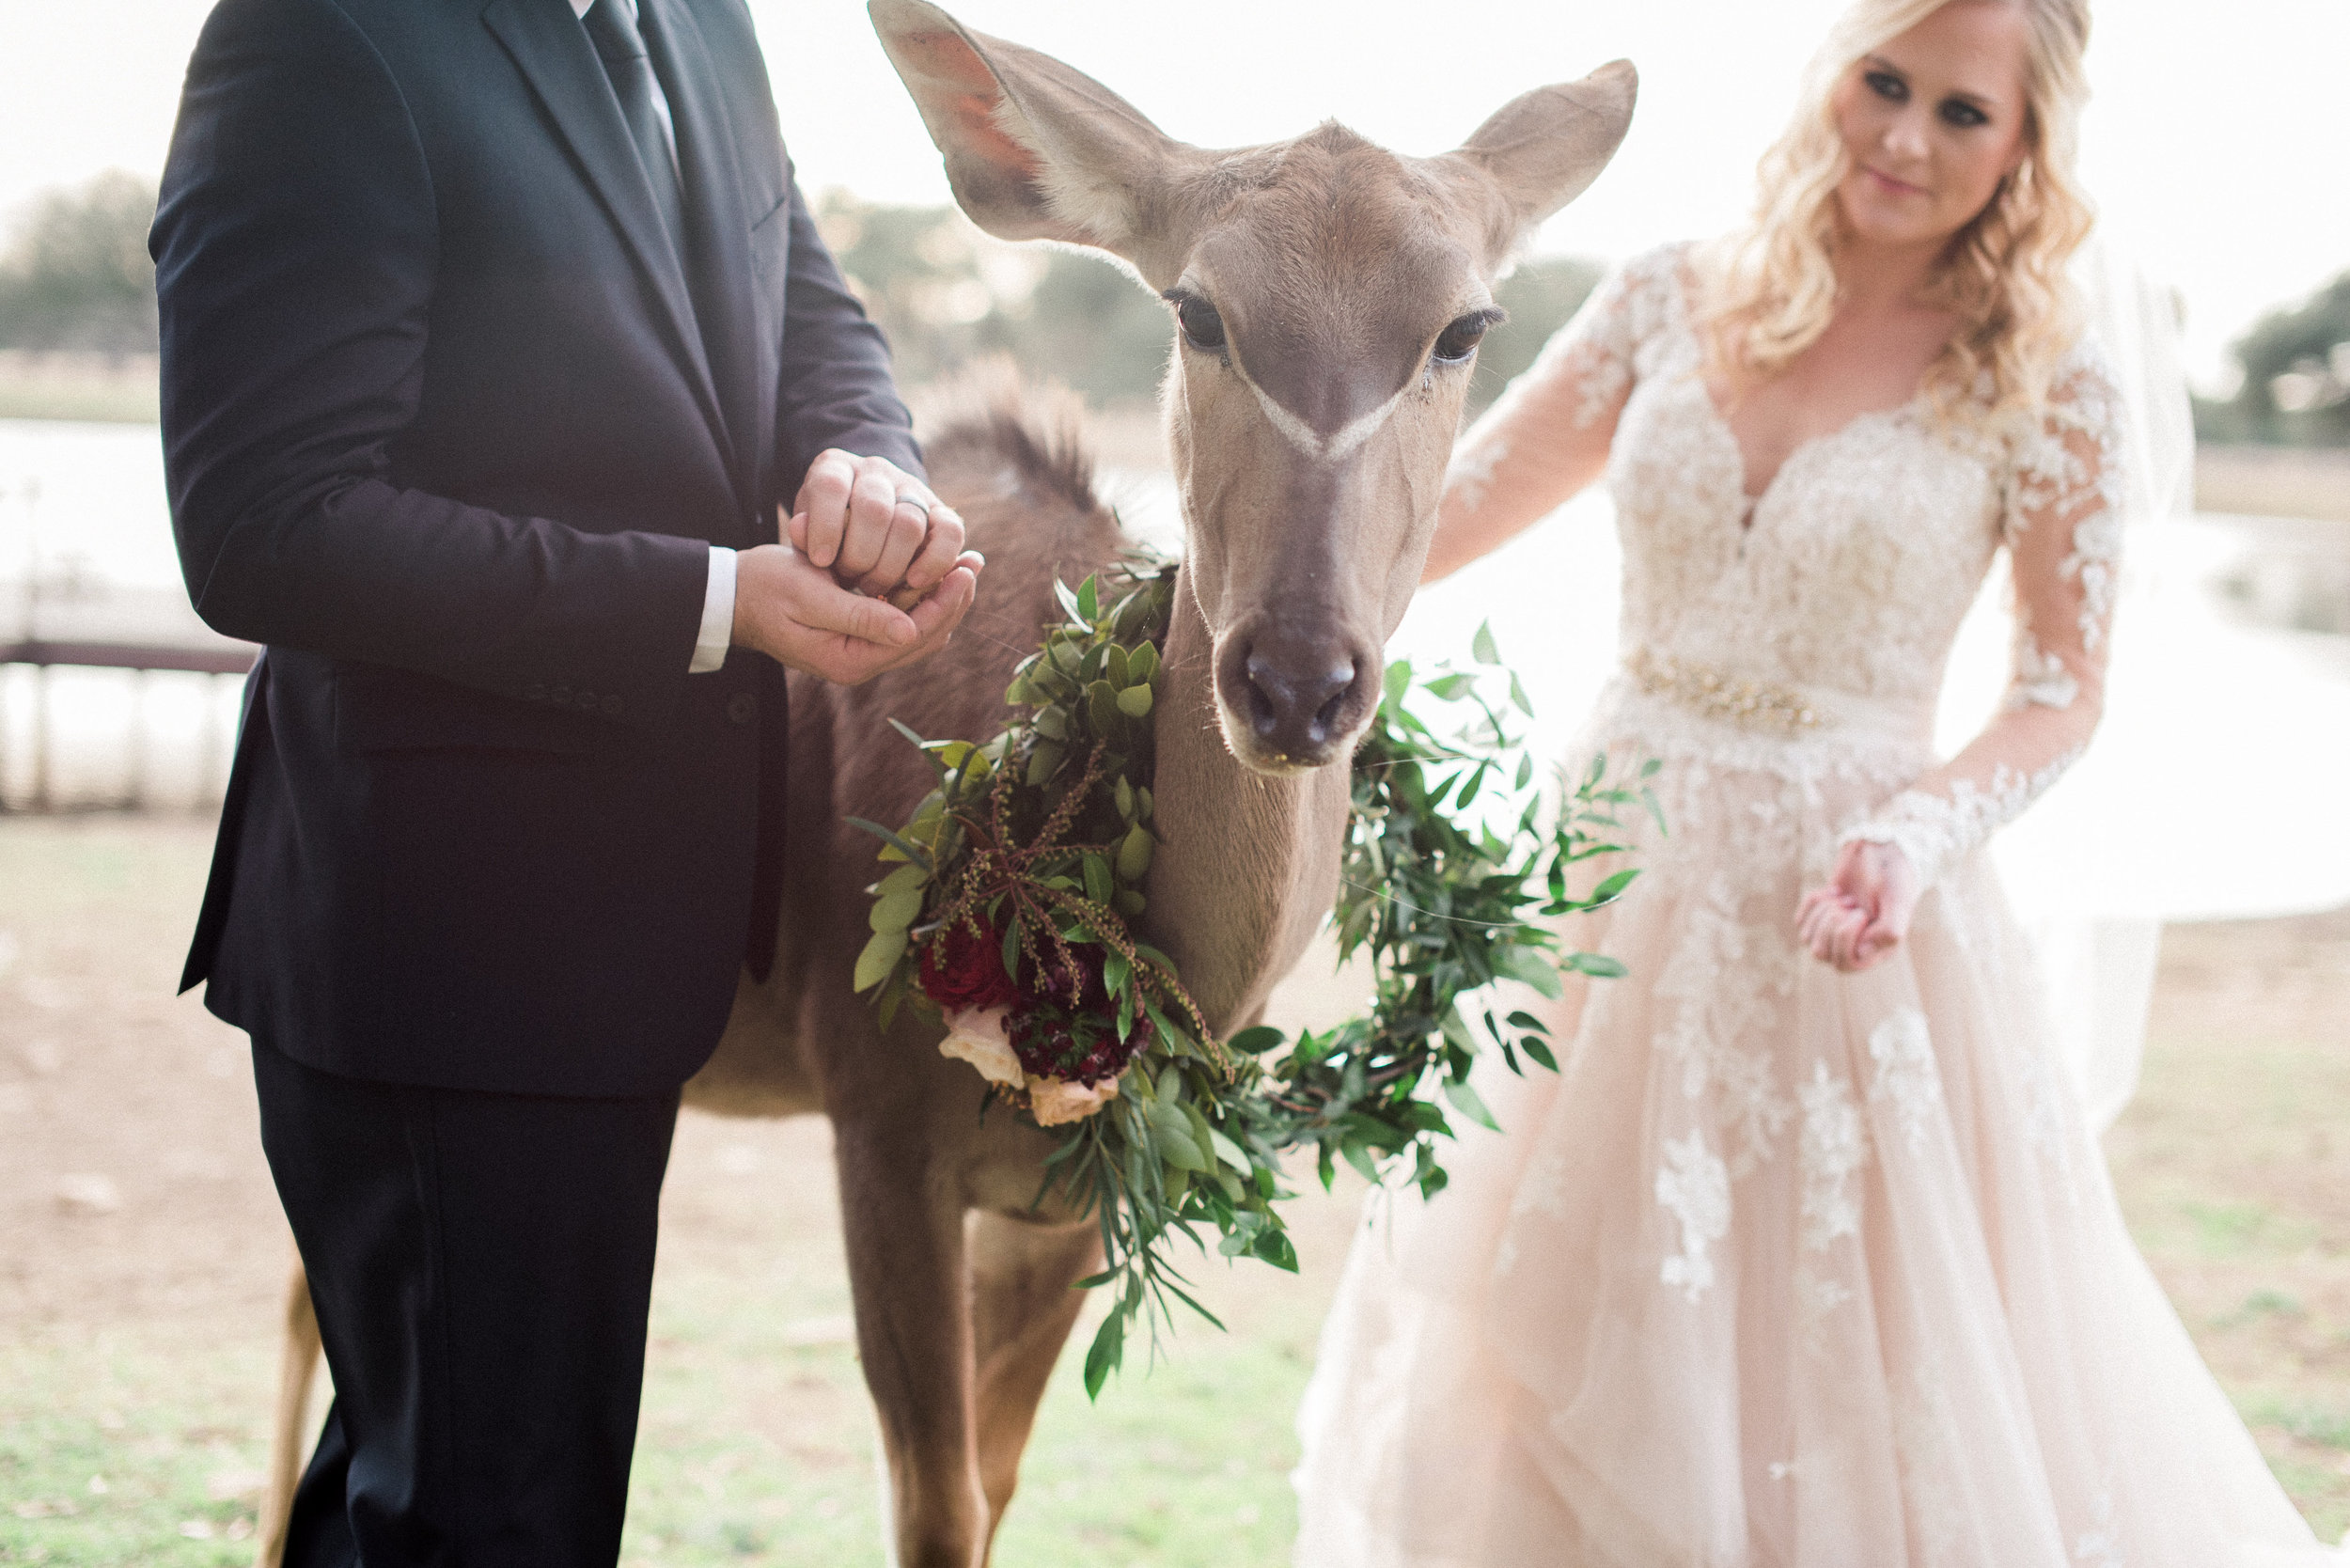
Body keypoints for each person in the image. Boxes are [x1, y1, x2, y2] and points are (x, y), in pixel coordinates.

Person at [1292, 0, 2349, 1562]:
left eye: (1965, 113)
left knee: (1834, 1375)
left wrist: (1920, 829)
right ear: (1836, 77)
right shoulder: (1666, 298)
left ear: (2030, 143)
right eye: (1886, 83)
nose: (1908, 138)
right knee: (1520, 1340)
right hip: (1601, 884)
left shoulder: (2049, 380)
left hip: (1849, 913)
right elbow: (1427, 525)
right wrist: (1241, 584)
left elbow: (2060, 695)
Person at [149, 0, 980, 1560]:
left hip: (614, 947)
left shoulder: (702, 21)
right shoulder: (318, 38)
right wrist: (716, 605)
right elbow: (267, 520)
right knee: (486, 1512)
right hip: (445, 946)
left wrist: (869, 463)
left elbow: (807, 307)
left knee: (448, 1494)